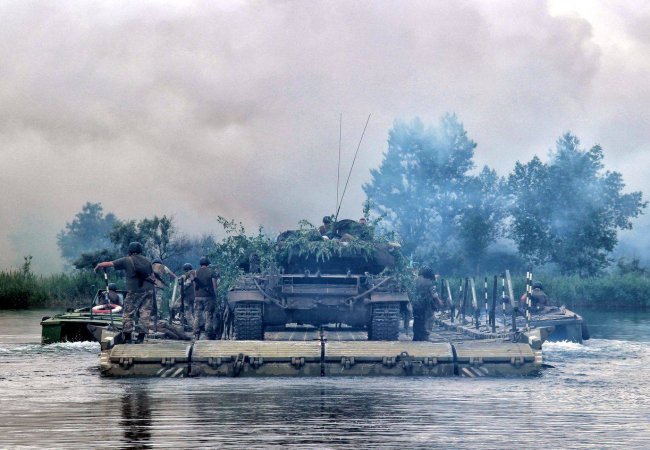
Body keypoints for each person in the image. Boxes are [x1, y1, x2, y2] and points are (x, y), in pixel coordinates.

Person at [94, 242, 154, 343]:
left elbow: (109, 264)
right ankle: (141, 338)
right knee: (145, 313)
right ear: (140, 250)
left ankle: (128, 338)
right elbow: (152, 275)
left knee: (128, 313)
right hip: (149, 290)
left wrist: (98, 265)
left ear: (130, 250)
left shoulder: (127, 260)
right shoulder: (147, 261)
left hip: (134, 291)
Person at [193, 256, 220, 340]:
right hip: (208, 297)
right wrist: (216, 295)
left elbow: (194, 285)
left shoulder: (196, 272)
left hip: (198, 297)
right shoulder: (211, 271)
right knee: (208, 315)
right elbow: (214, 285)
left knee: (197, 315)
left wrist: (196, 295)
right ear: (207, 264)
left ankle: (196, 334)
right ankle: (208, 334)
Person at [412, 266, 441, 341]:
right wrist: (439, 303)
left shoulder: (416, 280)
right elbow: (434, 295)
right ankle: (425, 337)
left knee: (417, 320)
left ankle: (416, 337)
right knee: (429, 320)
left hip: (416, 305)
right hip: (426, 305)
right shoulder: (429, 282)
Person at [176, 263, 195, 328]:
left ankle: (193, 327)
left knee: (188, 313)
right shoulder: (194, 274)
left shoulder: (189, 276)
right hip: (194, 297)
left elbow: (186, 284)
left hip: (188, 297)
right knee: (192, 312)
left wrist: (181, 284)